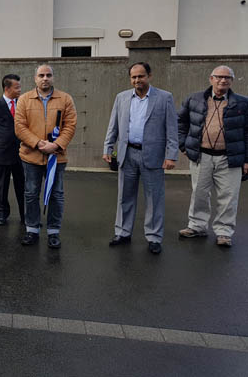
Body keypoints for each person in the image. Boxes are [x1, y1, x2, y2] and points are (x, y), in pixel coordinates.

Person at [103, 62, 178, 255]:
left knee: (154, 198)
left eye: (141, 76)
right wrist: (108, 147)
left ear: (149, 76)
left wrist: (171, 155)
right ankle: (122, 232)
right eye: (134, 77)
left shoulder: (164, 97)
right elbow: (113, 125)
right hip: (127, 153)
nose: (137, 80)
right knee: (124, 196)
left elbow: (172, 129)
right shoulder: (122, 97)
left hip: (152, 155)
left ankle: (154, 237)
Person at [177, 66, 248, 247]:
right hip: (202, 156)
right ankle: (197, 226)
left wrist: (246, 159)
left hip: (230, 158)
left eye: (227, 77)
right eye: (219, 77)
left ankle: (224, 232)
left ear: (232, 81)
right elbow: (180, 123)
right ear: (211, 79)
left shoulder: (243, 103)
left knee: (228, 196)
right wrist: (183, 145)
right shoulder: (194, 99)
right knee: (199, 193)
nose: (223, 80)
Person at [15, 64, 77, 249]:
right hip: (31, 156)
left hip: (56, 157)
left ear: (53, 77)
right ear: (35, 78)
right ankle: (32, 230)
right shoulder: (24, 99)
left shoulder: (65, 99)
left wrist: (55, 145)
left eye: (48, 75)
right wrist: (39, 144)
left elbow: (70, 125)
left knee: (56, 195)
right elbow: (20, 127)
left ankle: (53, 232)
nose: (45, 78)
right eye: (41, 75)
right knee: (31, 193)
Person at [0, 74, 25, 226]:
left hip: (22, 153)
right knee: (2, 185)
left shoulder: (22, 104)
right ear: (7, 88)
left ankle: (26, 215)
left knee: (23, 185)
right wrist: (1, 140)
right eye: (17, 87)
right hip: (2, 152)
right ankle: (1, 214)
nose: (20, 90)